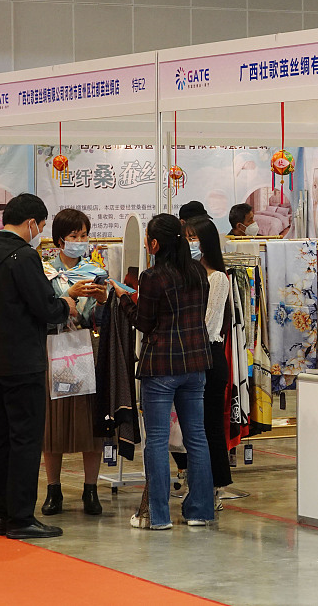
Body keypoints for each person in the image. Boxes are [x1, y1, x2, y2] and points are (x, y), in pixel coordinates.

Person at [0, 193, 77, 540]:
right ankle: (21, 517)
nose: (40, 232)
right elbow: (44, 308)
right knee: (25, 437)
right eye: (42, 226)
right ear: (31, 222)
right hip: (22, 360)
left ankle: (1, 514)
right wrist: (66, 303)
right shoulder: (23, 256)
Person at [111, 214, 215, 530]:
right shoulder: (198, 272)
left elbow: (144, 322)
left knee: (156, 440)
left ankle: (158, 516)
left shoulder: (153, 277)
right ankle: (200, 511)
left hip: (161, 366)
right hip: (196, 364)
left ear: (154, 244)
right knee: (197, 437)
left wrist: (123, 298)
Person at [40, 209, 109, 518]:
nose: (81, 241)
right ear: (60, 240)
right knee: (52, 422)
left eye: (84, 235)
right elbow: (41, 310)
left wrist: (102, 301)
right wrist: (66, 295)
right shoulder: (44, 271)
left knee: (89, 423)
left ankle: (90, 489)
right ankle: (53, 489)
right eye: (75, 236)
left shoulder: (95, 271)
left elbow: (101, 319)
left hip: (85, 350)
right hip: (53, 350)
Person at [171, 216, 233, 507]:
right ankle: (195, 482)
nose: (189, 243)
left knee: (208, 426)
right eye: (186, 237)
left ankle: (215, 488)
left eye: (194, 237)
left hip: (208, 356)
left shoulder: (218, 278)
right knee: (190, 428)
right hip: (187, 356)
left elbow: (209, 324)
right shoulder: (185, 274)